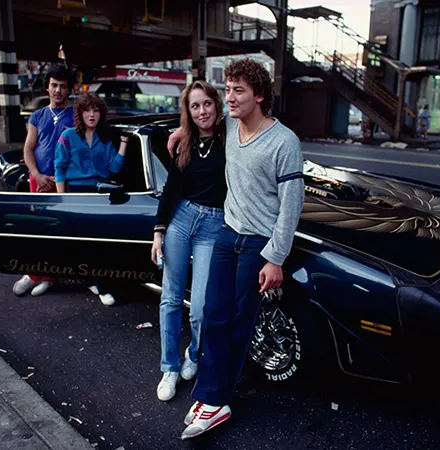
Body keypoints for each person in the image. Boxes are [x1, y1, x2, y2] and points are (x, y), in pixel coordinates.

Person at [168, 58, 305, 440]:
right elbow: (199, 120)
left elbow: (292, 203)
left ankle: (216, 400)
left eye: (237, 90)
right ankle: (212, 395)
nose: (228, 97)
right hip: (228, 234)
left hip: (259, 243)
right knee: (212, 314)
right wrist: (180, 132)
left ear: (259, 95)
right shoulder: (229, 126)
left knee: (238, 321)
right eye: (227, 89)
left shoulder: (284, 141)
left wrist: (275, 257)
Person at [151, 80, 227, 402]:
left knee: (201, 307)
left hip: (213, 224)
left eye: (206, 104)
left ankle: (193, 354)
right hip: (181, 220)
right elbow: (172, 188)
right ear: (188, 111)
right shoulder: (184, 142)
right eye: (194, 106)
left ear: (216, 105)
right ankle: (169, 367)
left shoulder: (231, 138)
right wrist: (159, 231)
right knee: (170, 298)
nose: (201, 111)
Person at [54, 92, 130, 305]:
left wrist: (123, 144)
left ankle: (102, 286)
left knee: (101, 243)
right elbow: (59, 168)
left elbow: (114, 168)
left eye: (96, 110)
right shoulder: (68, 136)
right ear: (80, 113)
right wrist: (63, 200)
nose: (92, 114)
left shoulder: (104, 138)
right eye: (87, 110)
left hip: (101, 192)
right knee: (83, 243)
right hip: (76, 192)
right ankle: (91, 281)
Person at [12, 64, 74, 297]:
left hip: (63, 182)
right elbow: (28, 149)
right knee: (34, 228)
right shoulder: (37, 116)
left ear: (69, 90)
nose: (58, 90)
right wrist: (36, 175)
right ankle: (34, 274)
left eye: (63, 86)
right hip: (37, 179)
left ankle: (49, 276)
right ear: (47, 87)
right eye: (54, 85)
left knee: (55, 230)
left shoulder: (75, 114)